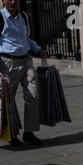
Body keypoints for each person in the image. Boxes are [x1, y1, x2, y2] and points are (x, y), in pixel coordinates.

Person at [0, 0, 47, 147]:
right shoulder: (0, 18)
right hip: (7, 63)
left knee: (33, 94)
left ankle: (29, 133)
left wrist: (37, 48)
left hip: (26, 60)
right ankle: (12, 135)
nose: (12, 2)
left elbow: (26, 38)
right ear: (3, 1)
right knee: (9, 102)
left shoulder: (25, 17)